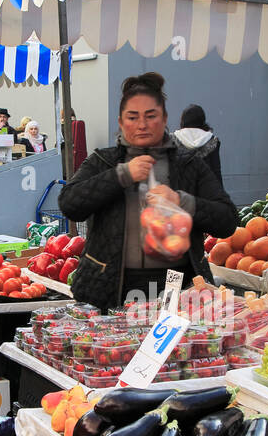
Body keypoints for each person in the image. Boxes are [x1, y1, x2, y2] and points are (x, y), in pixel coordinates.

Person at [59, 72, 237, 311]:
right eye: (133, 117)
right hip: (111, 294)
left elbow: (227, 221)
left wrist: (180, 200)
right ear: (122, 122)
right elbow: (69, 203)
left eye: (150, 115)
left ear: (163, 119)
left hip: (179, 296)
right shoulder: (104, 161)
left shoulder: (189, 164)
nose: (142, 125)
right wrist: (120, 175)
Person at [174, 104, 223, 188]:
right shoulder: (212, 140)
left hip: (180, 193)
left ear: (183, 120)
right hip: (206, 192)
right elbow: (216, 172)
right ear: (202, 121)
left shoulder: (173, 139)